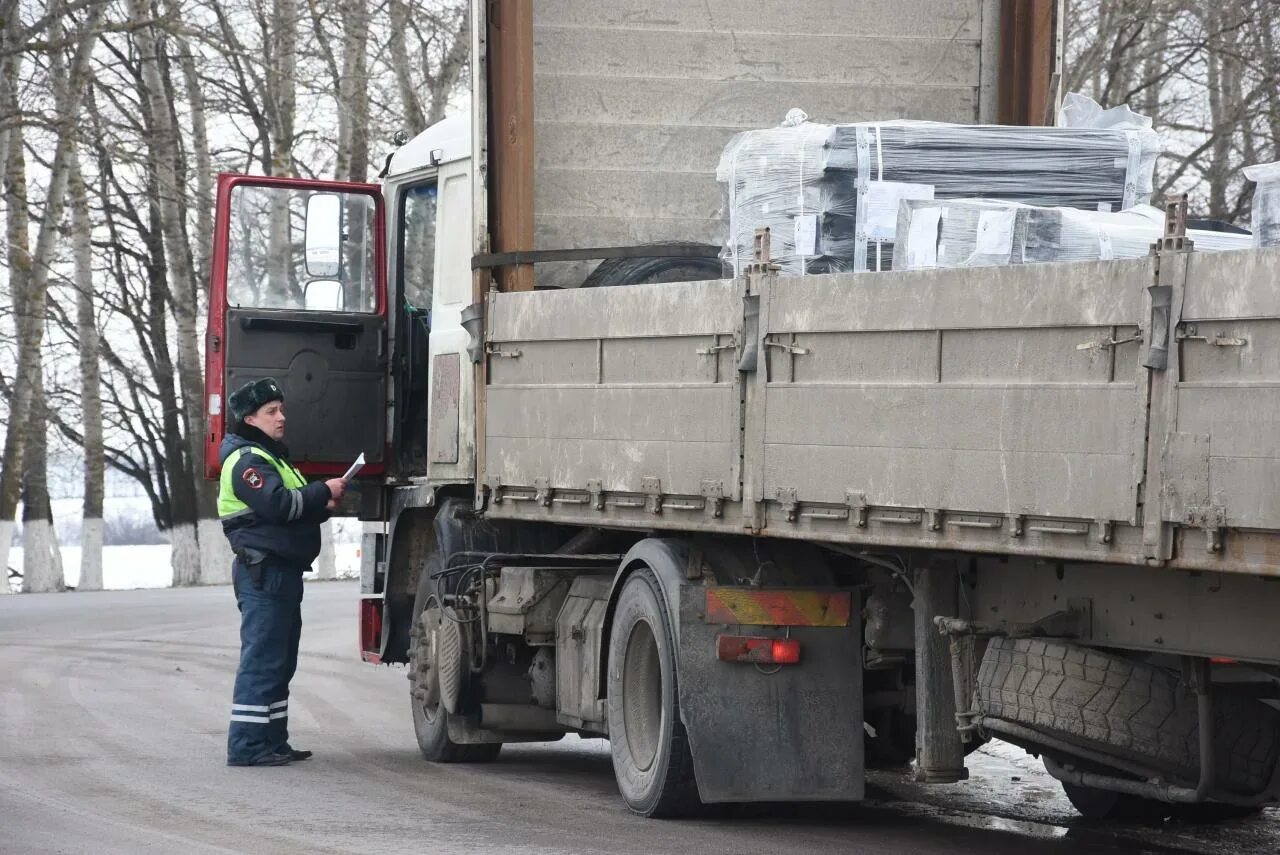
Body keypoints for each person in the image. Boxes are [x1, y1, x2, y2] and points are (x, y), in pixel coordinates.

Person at [218, 377, 347, 767]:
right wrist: (322, 492)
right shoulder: (247, 462)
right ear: (250, 418)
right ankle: (247, 745)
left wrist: (315, 504)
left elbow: (292, 506)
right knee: (263, 660)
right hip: (264, 573)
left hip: (281, 573)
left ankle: (271, 740)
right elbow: (278, 505)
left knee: (280, 660)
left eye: (281, 409)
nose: (281, 417)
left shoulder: (270, 456)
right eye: (271, 411)